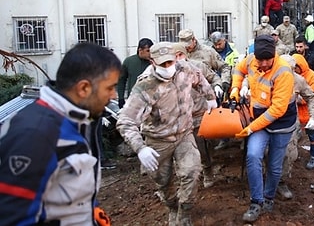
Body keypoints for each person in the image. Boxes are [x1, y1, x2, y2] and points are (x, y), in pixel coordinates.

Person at [0, 43, 121, 225]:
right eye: (110, 87)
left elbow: (64, 191)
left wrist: (91, 212)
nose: (114, 95)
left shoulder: (72, 121)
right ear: (83, 89)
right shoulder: (36, 134)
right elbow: (14, 218)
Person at [117, 42, 217, 226]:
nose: (167, 67)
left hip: (184, 134)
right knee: (163, 182)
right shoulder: (145, 86)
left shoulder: (185, 69)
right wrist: (140, 148)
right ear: (152, 61)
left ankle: (184, 212)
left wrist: (210, 97)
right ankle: (172, 206)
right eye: (162, 64)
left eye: (170, 62)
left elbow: (199, 78)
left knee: (192, 172)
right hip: (158, 140)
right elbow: (125, 120)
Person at [229, 35, 296, 222]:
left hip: (281, 123)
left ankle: (269, 197)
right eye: (261, 60)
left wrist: (250, 128)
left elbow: (277, 110)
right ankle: (256, 201)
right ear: (255, 56)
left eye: (269, 59)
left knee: (274, 167)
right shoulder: (251, 60)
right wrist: (235, 88)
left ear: (274, 55)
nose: (265, 63)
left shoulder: (283, 72)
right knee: (253, 155)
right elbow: (238, 69)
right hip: (258, 119)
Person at [277, 54, 314, 200]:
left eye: (291, 69)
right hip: (269, 121)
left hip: (290, 122)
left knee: (289, 154)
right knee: (267, 152)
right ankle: (268, 179)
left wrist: (313, 117)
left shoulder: (298, 80)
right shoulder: (270, 76)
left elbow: (311, 96)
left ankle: (281, 181)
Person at [292, 53, 314, 170]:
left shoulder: (312, 77)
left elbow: (313, 95)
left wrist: (296, 98)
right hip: (297, 113)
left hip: (310, 112)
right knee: (295, 135)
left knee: (313, 135)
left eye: (296, 68)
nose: (294, 70)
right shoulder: (293, 76)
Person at [117, 37, 153, 108]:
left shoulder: (154, 63)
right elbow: (121, 80)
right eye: (148, 51)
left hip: (151, 100)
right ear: (140, 50)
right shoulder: (129, 61)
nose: (150, 53)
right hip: (133, 100)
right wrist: (121, 98)